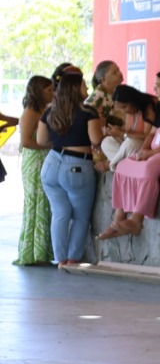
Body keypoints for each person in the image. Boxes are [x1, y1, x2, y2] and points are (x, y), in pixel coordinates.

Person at [37, 66, 104, 269]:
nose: (86, 87)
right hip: (77, 165)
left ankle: (59, 258)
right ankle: (72, 259)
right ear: (76, 88)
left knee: (60, 213)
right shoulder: (88, 111)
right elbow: (96, 139)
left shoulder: (50, 110)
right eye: (83, 84)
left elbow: (41, 140)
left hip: (51, 163)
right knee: (80, 217)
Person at [97, 85, 160, 240]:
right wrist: (144, 151)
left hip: (156, 150)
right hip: (144, 148)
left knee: (133, 149)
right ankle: (118, 218)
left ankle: (136, 219)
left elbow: (146, 135)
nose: (155, 88)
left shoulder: (156, 107)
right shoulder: (151, 110)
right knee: (119, 159)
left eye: (125, 106)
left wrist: (147, 151)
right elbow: (151, 135)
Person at [11, 75, 54, 266]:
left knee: (45, 204)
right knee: (35, 204)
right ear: (38, 91)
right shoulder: (30, 112)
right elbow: (26, 141)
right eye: (48, 90)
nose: (52, 93)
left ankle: (43, 251)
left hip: (45, 160)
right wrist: (49, 146)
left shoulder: (46, 109)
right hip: (35, 162)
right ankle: (33, 251)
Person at [86, 60, 124, 171]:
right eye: (114, 72)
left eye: (118, 70)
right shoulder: (98, 98)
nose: (120, 73)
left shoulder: (112, 94)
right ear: (104, 80)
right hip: (100, 151)